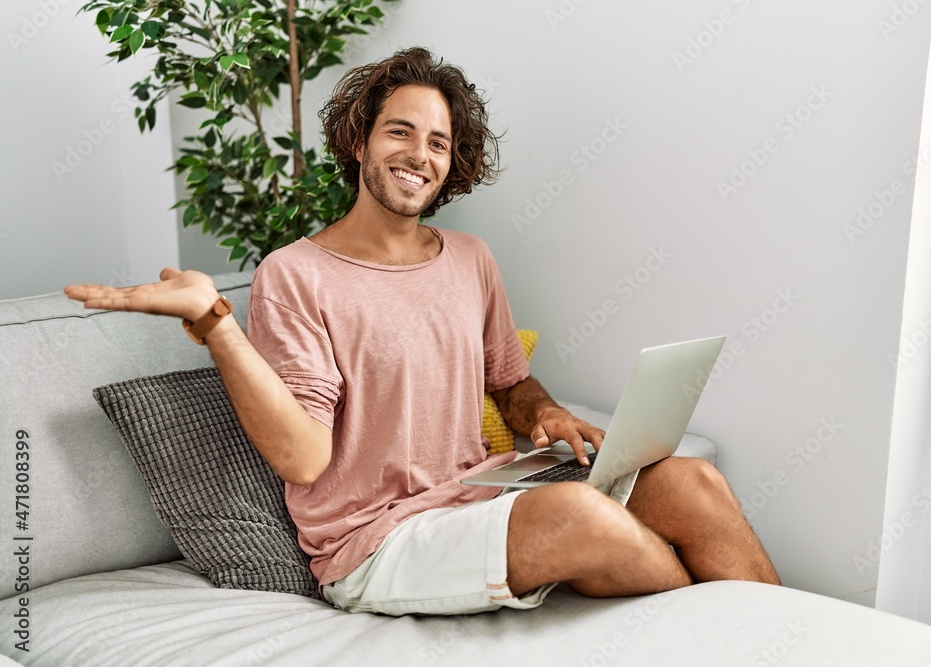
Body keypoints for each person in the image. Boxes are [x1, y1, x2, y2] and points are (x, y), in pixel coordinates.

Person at [65, 46, 780, 616]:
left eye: (437, 141)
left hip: (479, 492)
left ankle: (785, 639)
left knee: (694, 482)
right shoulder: (295, 273)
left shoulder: (470, 259)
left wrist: (547, 412)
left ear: (452, 163)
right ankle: (726, 634)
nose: (419, 153)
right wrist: (216, 323)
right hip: (376, 542)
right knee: (578, 514)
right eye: (399, 131)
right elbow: (305, 456)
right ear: (360, 140)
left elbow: (509, 380)